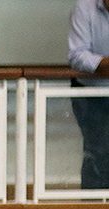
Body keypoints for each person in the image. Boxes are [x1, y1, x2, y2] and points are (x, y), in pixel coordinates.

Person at [68, 0, 109, 189]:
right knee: (97, 151)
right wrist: (104, 64)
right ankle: (93, 203)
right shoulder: (84, 8)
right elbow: (76, 55)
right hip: (90, 93)